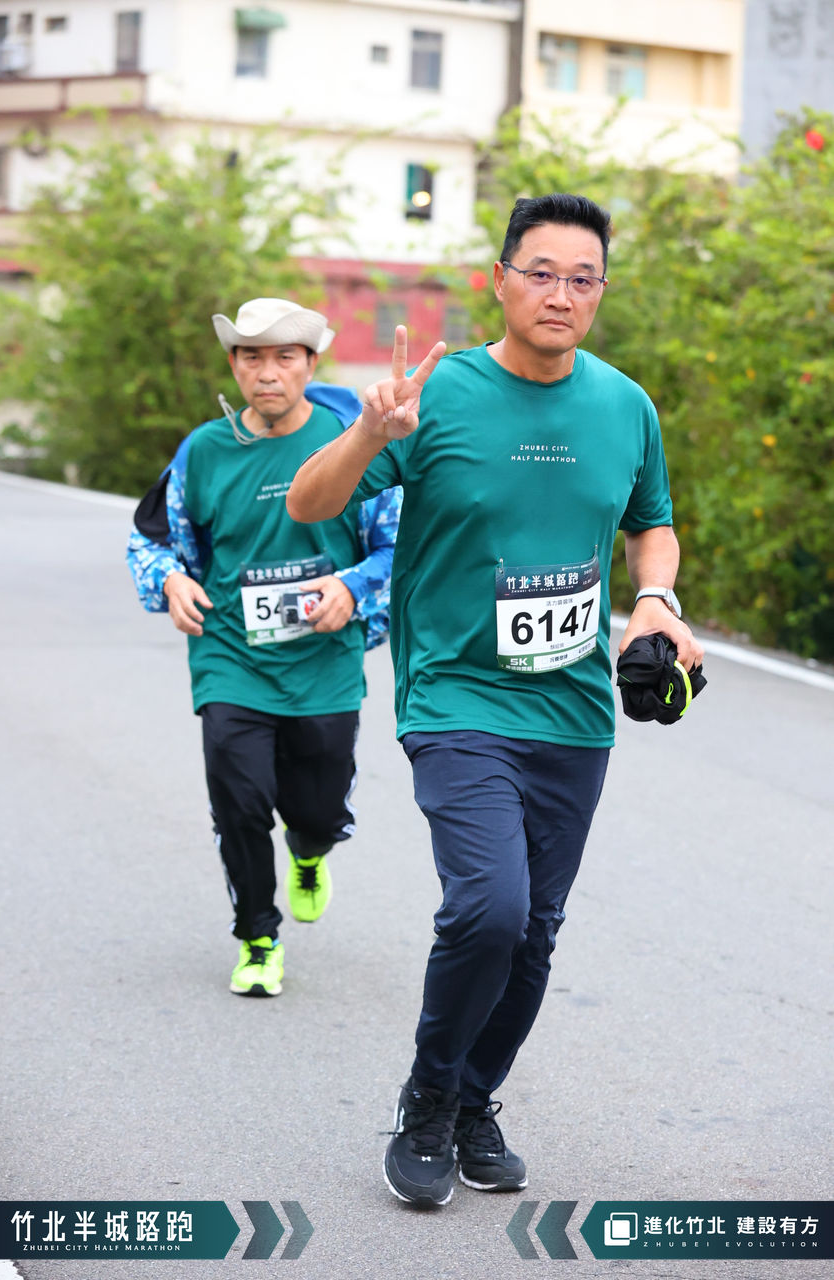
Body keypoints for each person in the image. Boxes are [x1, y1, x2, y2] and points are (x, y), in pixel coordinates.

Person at [287, 194, 705, 1206]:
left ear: (600, 291)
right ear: (500, 281)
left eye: (582, 278)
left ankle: (474, 1098)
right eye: (541, 272)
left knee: (535, 929)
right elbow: (309, 503)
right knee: (490, 907)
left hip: (573, 711)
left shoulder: (624, 407)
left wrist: (654, 598)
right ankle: (429, 1098)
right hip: (456, 695)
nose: (560, 294)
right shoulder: (437, 395)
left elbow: (650, 523)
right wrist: (367, 434)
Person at [127, 298, 400, 998]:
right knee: (240, 804)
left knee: (317, 811)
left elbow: (400, 546)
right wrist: (170, 580)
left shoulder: (348, 439)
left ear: (310, 364)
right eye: (252, 357)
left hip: (324, 662)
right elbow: (149, 540)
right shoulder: (202, 452)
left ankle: (309, 850)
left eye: (284, 357)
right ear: (234, 365)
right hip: (231, 656)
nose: (267, 372)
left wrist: (354, 587)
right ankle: (258, 938)